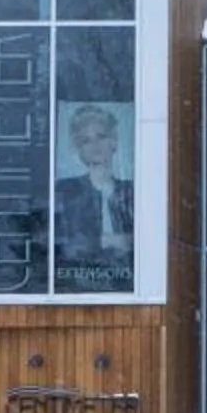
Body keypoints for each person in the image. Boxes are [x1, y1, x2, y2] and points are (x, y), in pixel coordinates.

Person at [52, 104, 133, 290]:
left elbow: (148, 241)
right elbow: (64, 246)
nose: (95, 145)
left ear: (113, 142)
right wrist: (109, 240)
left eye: (101, 136)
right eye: (86, 140)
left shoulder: (132, 191)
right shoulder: (65, 190)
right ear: (78, 149)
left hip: (127, 283)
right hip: (76, 283)